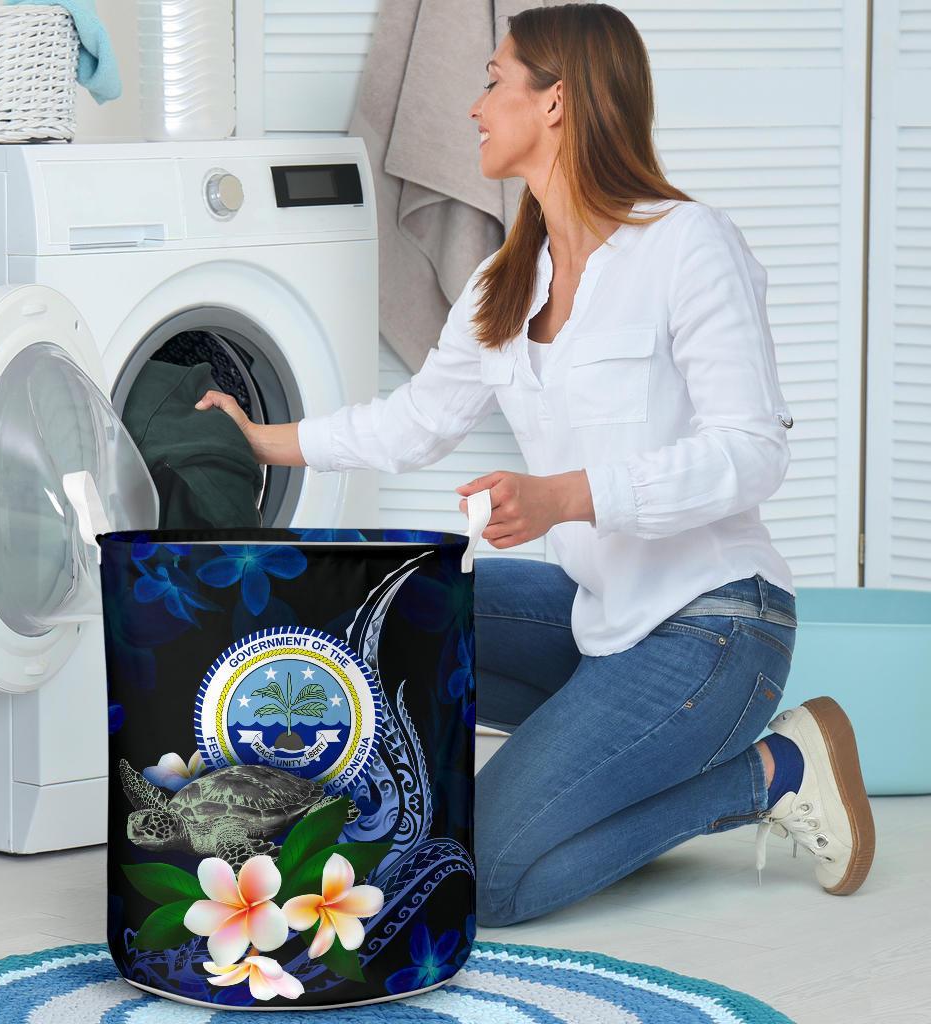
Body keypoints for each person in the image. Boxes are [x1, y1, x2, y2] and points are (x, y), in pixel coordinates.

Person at [194, 2, 875, 928]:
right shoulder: (504, 281)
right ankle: (475, 794)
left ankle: (771, 772)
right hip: (602, 620)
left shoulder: (685, 244)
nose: (473, 107)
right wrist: (269, 438)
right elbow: (416, 422)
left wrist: (568, 498)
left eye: (492, 82)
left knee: (489, 880)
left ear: (555, 102)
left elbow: (753, 454)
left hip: (717, 627)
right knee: (396, 609)